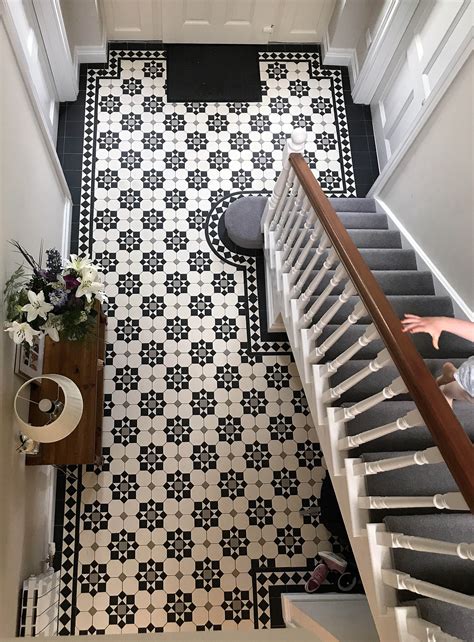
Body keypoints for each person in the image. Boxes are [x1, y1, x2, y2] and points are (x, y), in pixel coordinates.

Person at [401, 314, 474, 406]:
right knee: (446, 393)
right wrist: (441, 323)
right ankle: (444, 390)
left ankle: (451, 375)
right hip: (469, 384)